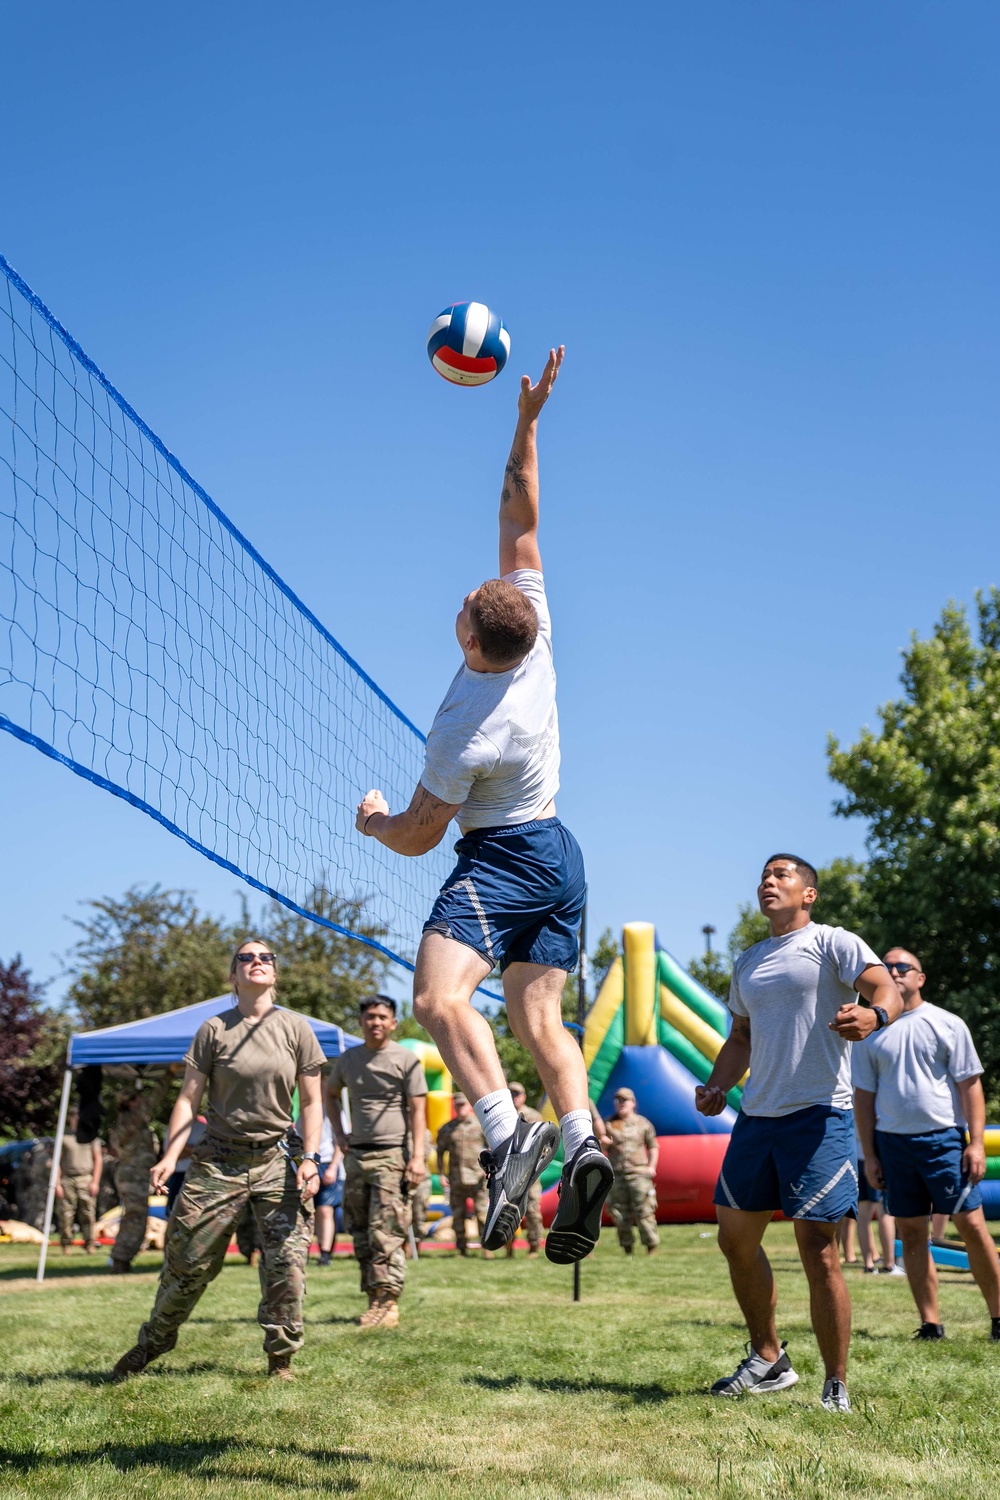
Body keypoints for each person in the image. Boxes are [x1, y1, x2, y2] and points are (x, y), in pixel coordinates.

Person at [355, 348, 612, 1263]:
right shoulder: (532, 637)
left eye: (469, 601)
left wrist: (374, 822)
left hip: (502, 857)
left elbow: (423, 837)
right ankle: (583, 1141)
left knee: (435, 996)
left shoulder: (464, 727)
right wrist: (528, 418)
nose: (472, 588)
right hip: (561, 852)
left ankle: (509, 1135)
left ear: (471, 633)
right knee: (541, 1021)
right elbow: (521, 512)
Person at [696, 854, 900, 1413]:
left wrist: (876, 1017)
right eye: (763, 874)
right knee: (735, 1240)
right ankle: (768, 1359)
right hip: (757, 1117)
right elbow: (740, 1037)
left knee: (819, 1250)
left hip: (820, 1114)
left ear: (808, 894)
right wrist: (717, 1086)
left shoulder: (834, 942)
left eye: (782, 874)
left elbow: (887, 988)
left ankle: (835, 1383)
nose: (768, 881)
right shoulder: (749, 962)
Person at [111, 940, 325, 1382]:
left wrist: (311, 1158)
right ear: (233, 975)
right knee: (187, 1260)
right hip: (217, 1161)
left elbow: (312, 1102)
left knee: (286, 1263)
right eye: (247, 957)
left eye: (266, 957)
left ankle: (280, 1358)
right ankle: (155, 1339)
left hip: (275, 1159)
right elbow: (188, 1098)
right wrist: (171, 1154)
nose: (257, 962)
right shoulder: (213, 1029)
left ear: (275, 972)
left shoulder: (296, 1028)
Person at [853, 947, 1000, 1342]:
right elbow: (863, 1099)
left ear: (920, 978)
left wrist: (975, 1144)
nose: (893, 972)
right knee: (912, 1234)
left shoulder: (947, 1023)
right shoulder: (870, 1034)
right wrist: (870, 1155)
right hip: (893, 1146)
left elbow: (971, 1086)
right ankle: (931, 1324)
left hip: (944, 1142)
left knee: (971, 1226)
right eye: (886, 967)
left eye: (902, 967)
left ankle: (999, 1319)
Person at [325, 995, 427, 1329]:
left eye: (383, 1017)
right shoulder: (348, 1059)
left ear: (393, 1022)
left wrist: (417, 1158)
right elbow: (328, 1093)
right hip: (356, 1157)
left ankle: (389, 1302)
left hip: (391, 1156)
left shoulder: (405, 1059)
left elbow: (418, 1111)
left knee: (387, 1233)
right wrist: (339, 1134)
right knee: (360, 1233)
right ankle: (374, 1300)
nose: (376, 1022)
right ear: (361, 1021)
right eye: (370, 1017)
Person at [107, 1076, 173, 1274]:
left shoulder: (132, 1121)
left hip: (134, 1174)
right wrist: (166, 1078)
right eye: (136, 1098)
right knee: (135, 1217)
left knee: (135, 1216)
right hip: (132, 1175)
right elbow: (153, 1101)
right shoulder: (132, 1119)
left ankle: (123, 1258)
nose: (140, 1101)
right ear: (128, 1102)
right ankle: (120, 1259)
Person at [604, 1088, 659, 1256]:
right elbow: (601, 1147)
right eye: (618, 1101)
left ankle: (651, 1247)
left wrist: (651, 1167)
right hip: (617, 1174)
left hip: (638, 1174)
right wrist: (604, 1142)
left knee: (645, 1211)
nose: (620, 1104)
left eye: (624, 1100)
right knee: (620, 1214)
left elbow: (653, 1146)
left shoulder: (643, 1123)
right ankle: (627, 1249)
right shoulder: (609, 1124)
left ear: (633, 1103)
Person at [436, 1093, 492, 1257]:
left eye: (463, 1104)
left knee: (481, 1214)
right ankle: (461, 1249)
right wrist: (441, 1173)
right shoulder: (447, 1128)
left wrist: (488, 1170)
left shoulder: (480, 1125)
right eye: (457, 1105)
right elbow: (440, 1152)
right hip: (456, 1178)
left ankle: (487, 1248)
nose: (460, 1108)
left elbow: (491, 1148)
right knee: (458, 1215)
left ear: (469, 1106)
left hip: (478, 1177)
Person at [851, 1121, 902, 1276]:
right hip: (878, 1158)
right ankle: (889, 1264)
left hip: (858, 1156)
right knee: (886, 1213)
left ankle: (868, 1265)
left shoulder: (852, 1097)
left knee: (863, 1214)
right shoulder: (871, 1098)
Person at [55, 1109, 102, 1255]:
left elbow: (98, 1159)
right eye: (74, 1116)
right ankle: (66, 1244)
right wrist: (57, 1184)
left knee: (88, 1213)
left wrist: (95, 1182)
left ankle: (90, 1243)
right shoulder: (63, 1137)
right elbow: (56, 1161)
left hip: (86, 1178)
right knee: (66, 1213)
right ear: (70, 1118)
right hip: (67, 1179)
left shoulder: (91, 1136)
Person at [506, 1082, 543, 1257]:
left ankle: (534, 1246)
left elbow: (543, 1143)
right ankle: (508, 1248)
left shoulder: (533, 1116)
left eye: (517, 1094)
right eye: (511, 1093)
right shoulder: (503, 1116)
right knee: (508, 1212)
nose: (514, 1097)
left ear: (524, 1096)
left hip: (530, 1173)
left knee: (533, 1211)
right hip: (509, 1173)